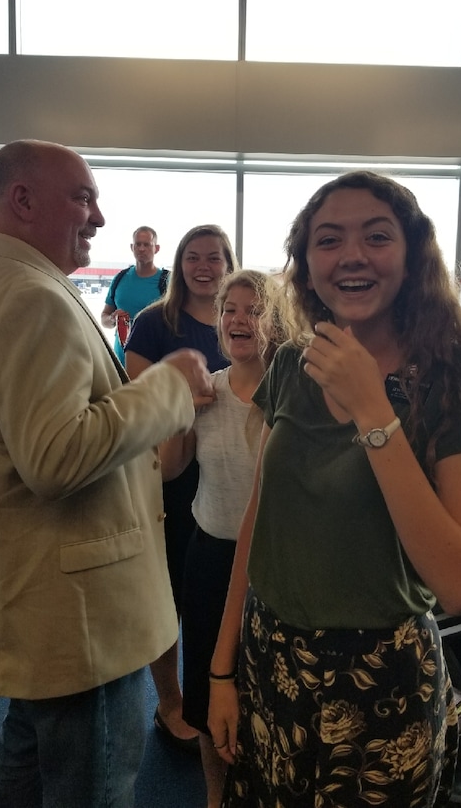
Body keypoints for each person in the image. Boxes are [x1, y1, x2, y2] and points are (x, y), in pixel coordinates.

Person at [208, 171, 461, 807]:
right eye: (329, 240)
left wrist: (374, 414)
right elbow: (260, 518)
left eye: (376, 236)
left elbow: (460, 583)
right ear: (308, 264)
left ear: (411, 256)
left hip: (379, 679)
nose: (351, 255)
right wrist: (221, 668)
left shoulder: (454, 376)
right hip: (272, 655)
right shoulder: (297, 362)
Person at [0, 140, 213, 808]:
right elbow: (54, 456)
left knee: (22, 769)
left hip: (33, 594)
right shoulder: (31, 297)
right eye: (83, 196)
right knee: (90, 784)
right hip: (76, 612)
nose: (100, 217)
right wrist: (167, 387)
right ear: (22, 200)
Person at [159, 269, 292, 807]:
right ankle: (215, 797)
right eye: (228, 310)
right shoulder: (206, 390)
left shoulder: (289, 397)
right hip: (211, 558)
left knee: (268, 695)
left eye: (253, 310)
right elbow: (170, 471)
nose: (238, 319)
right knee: (210, 696)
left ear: (275, 323)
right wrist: (180, 415)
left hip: (274, 564)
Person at [125, 223, 238, 750]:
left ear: (228, 262)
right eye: (193, 257)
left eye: (214, 257)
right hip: (169, 474)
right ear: (179, 263)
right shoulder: (154, 323)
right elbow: (136, 407)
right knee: (165, 595)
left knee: (218, 595)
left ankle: (219, 691)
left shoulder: (241, 322)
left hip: (230, 478)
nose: (204, 267)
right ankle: (170, 703)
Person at [101, 226, 169, 365]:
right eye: (138, 244)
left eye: (147, 244)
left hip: (156, 366)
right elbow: (104, 318)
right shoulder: (120, 278)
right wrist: (113, 319)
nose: (142, 249)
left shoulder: (168, 281)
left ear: (156, 248)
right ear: (132, 247)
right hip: (121, 364)